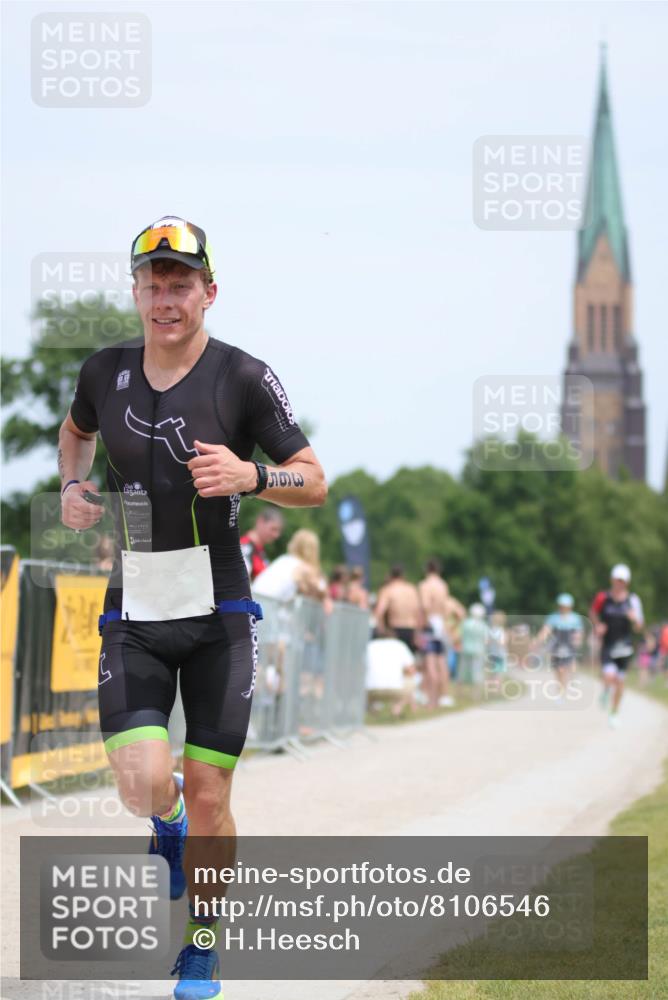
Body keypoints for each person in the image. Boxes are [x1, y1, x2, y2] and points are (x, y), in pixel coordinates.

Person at [58, 216, 327, 1000]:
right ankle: (163, 826)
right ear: (135, 290)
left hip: (221, 614)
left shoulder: (243, 377)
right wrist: (75, 488)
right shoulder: (103, 372)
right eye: (154, 283)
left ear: (209, 291)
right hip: (136, 606)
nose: (167, 298)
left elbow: (314, 479)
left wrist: (252, 477)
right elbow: (74, 436)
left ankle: (203, 945)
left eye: (182, 283)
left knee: (213, 792)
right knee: (144, 781)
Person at [590, 564, 644, 728]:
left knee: (620, 682)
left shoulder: (633, 600)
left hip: (625, 647)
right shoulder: (602, 597)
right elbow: (592, 612)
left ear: (627, 582)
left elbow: (639, 626)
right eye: (617, 580)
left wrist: (634, 618)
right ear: (612, 580)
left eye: (623, 581)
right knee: (608, 676)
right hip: (608, 644)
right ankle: (606, 691)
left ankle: (614, 713)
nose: (620, 583)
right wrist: (598, 625)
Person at [253, 528, 327, 603]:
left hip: (255, 602)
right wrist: (326, 598)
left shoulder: (284, 560)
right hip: (267, 607)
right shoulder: (302, 566)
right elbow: (321, 587)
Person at [418, 558, 454, 709]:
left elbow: (425, 605)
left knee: (430, 662)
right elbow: (446, 607)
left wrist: (423, 623)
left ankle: (431, 699)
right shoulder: (443, 585)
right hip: (441, 623)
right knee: (442, 662)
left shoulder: (425, 585)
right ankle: (443, 696)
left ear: (427, 569)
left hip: (430, 623)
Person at [533, 594, 582, 698]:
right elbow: (545, 631)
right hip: (557, 646)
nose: (563, 608)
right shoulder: (553, 618)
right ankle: (560, 689)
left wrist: (578, 641)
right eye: (562, 605)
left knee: (568, 666)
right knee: (559, 669)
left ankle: (568, 680)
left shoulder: (575, 618)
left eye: (565, 606)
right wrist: (537, 641)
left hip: (569, 645)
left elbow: (578, 632)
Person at [373, 564, 423, 652]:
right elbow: (419, 612)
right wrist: (417, 634)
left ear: (390, 575)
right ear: (403, 575)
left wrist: (382, 630)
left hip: (394, 630)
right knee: (409, 662)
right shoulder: (412, 590)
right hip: (411, 630)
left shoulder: (388, 590)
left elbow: (379, 612)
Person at [239, 507, 283, 581]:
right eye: (273, 529)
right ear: (260, 521)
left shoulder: (260, 550)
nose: (276, 535)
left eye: (278, 531)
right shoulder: (245, 547)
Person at [459, 603, 489, 685]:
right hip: (478, 650)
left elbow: (461, 636)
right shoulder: (483, 625)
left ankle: (459, 690)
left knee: (462, 670)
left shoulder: (466, 623)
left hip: (465, 648)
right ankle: (476, 693)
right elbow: (486, 640)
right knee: (477, 671)